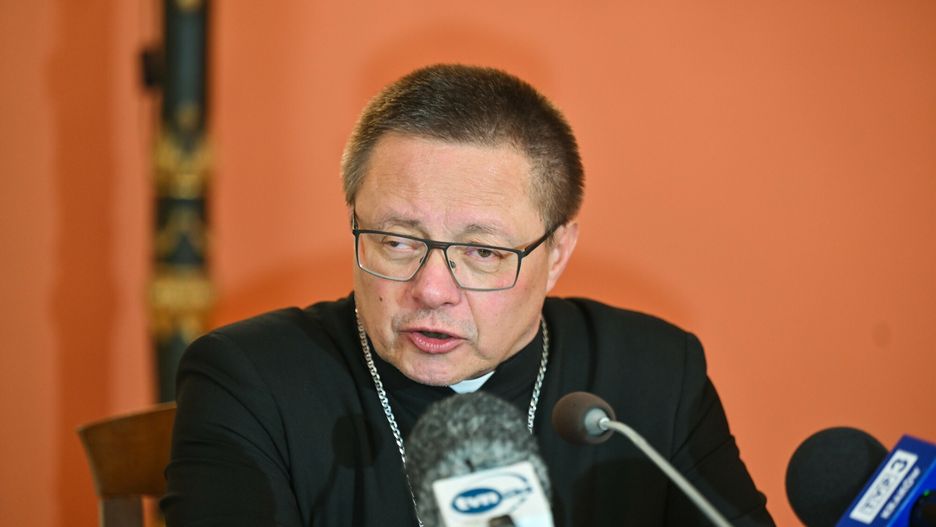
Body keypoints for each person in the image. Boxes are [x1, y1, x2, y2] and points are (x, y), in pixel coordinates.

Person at [162, 64, 775, 526]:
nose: (431, 290)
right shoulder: (250, 381)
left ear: (557, 253)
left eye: (483, 253)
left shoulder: (654, 376)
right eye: (397, 242)